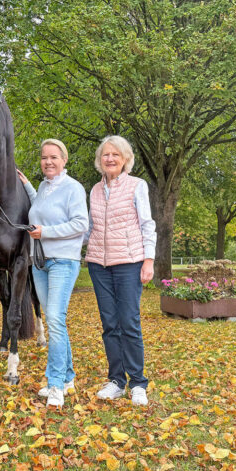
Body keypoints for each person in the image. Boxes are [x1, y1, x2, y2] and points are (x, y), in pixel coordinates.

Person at [85, 135, 156, 406]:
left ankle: (138, 382)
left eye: (116, 154)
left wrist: (148, 259)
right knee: (109, 325)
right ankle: (116, 380)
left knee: (129, 323)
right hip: (99, 265)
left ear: (125, 159)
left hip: (129, 263)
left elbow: (147, 224)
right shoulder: (93, 190)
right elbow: (89, 229)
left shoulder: (137, 186)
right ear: (100, 160)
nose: (110, 159)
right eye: (105, 155)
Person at [17, 139, 88, 408]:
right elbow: (41, 209)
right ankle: (68, 377)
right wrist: (27, 186)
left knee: (56, 320)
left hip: (63, 261)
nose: (48, 161)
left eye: (54, 157)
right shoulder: (45, 188)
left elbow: (81, 224)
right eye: (44, 157)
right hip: (40, 262)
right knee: (55, 319)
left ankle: (55, 383)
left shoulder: (73, 188)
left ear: (64, 159)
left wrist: (46, 233)